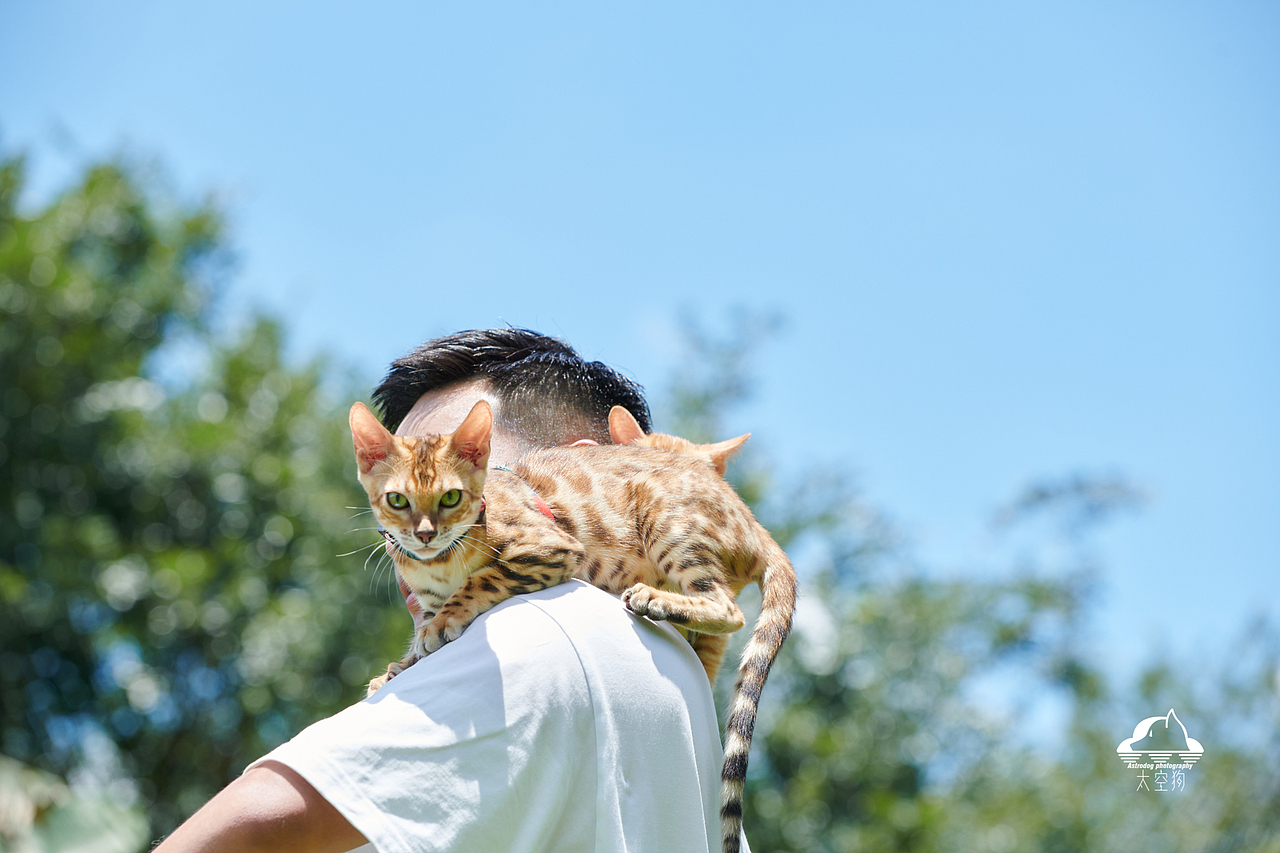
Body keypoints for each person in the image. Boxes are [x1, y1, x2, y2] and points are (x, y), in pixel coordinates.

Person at [154, 328, 743, 853]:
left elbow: (259, 825)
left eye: (461, 471)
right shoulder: (688, 713)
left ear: (582, 470)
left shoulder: (546, 626)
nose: (414, 539)